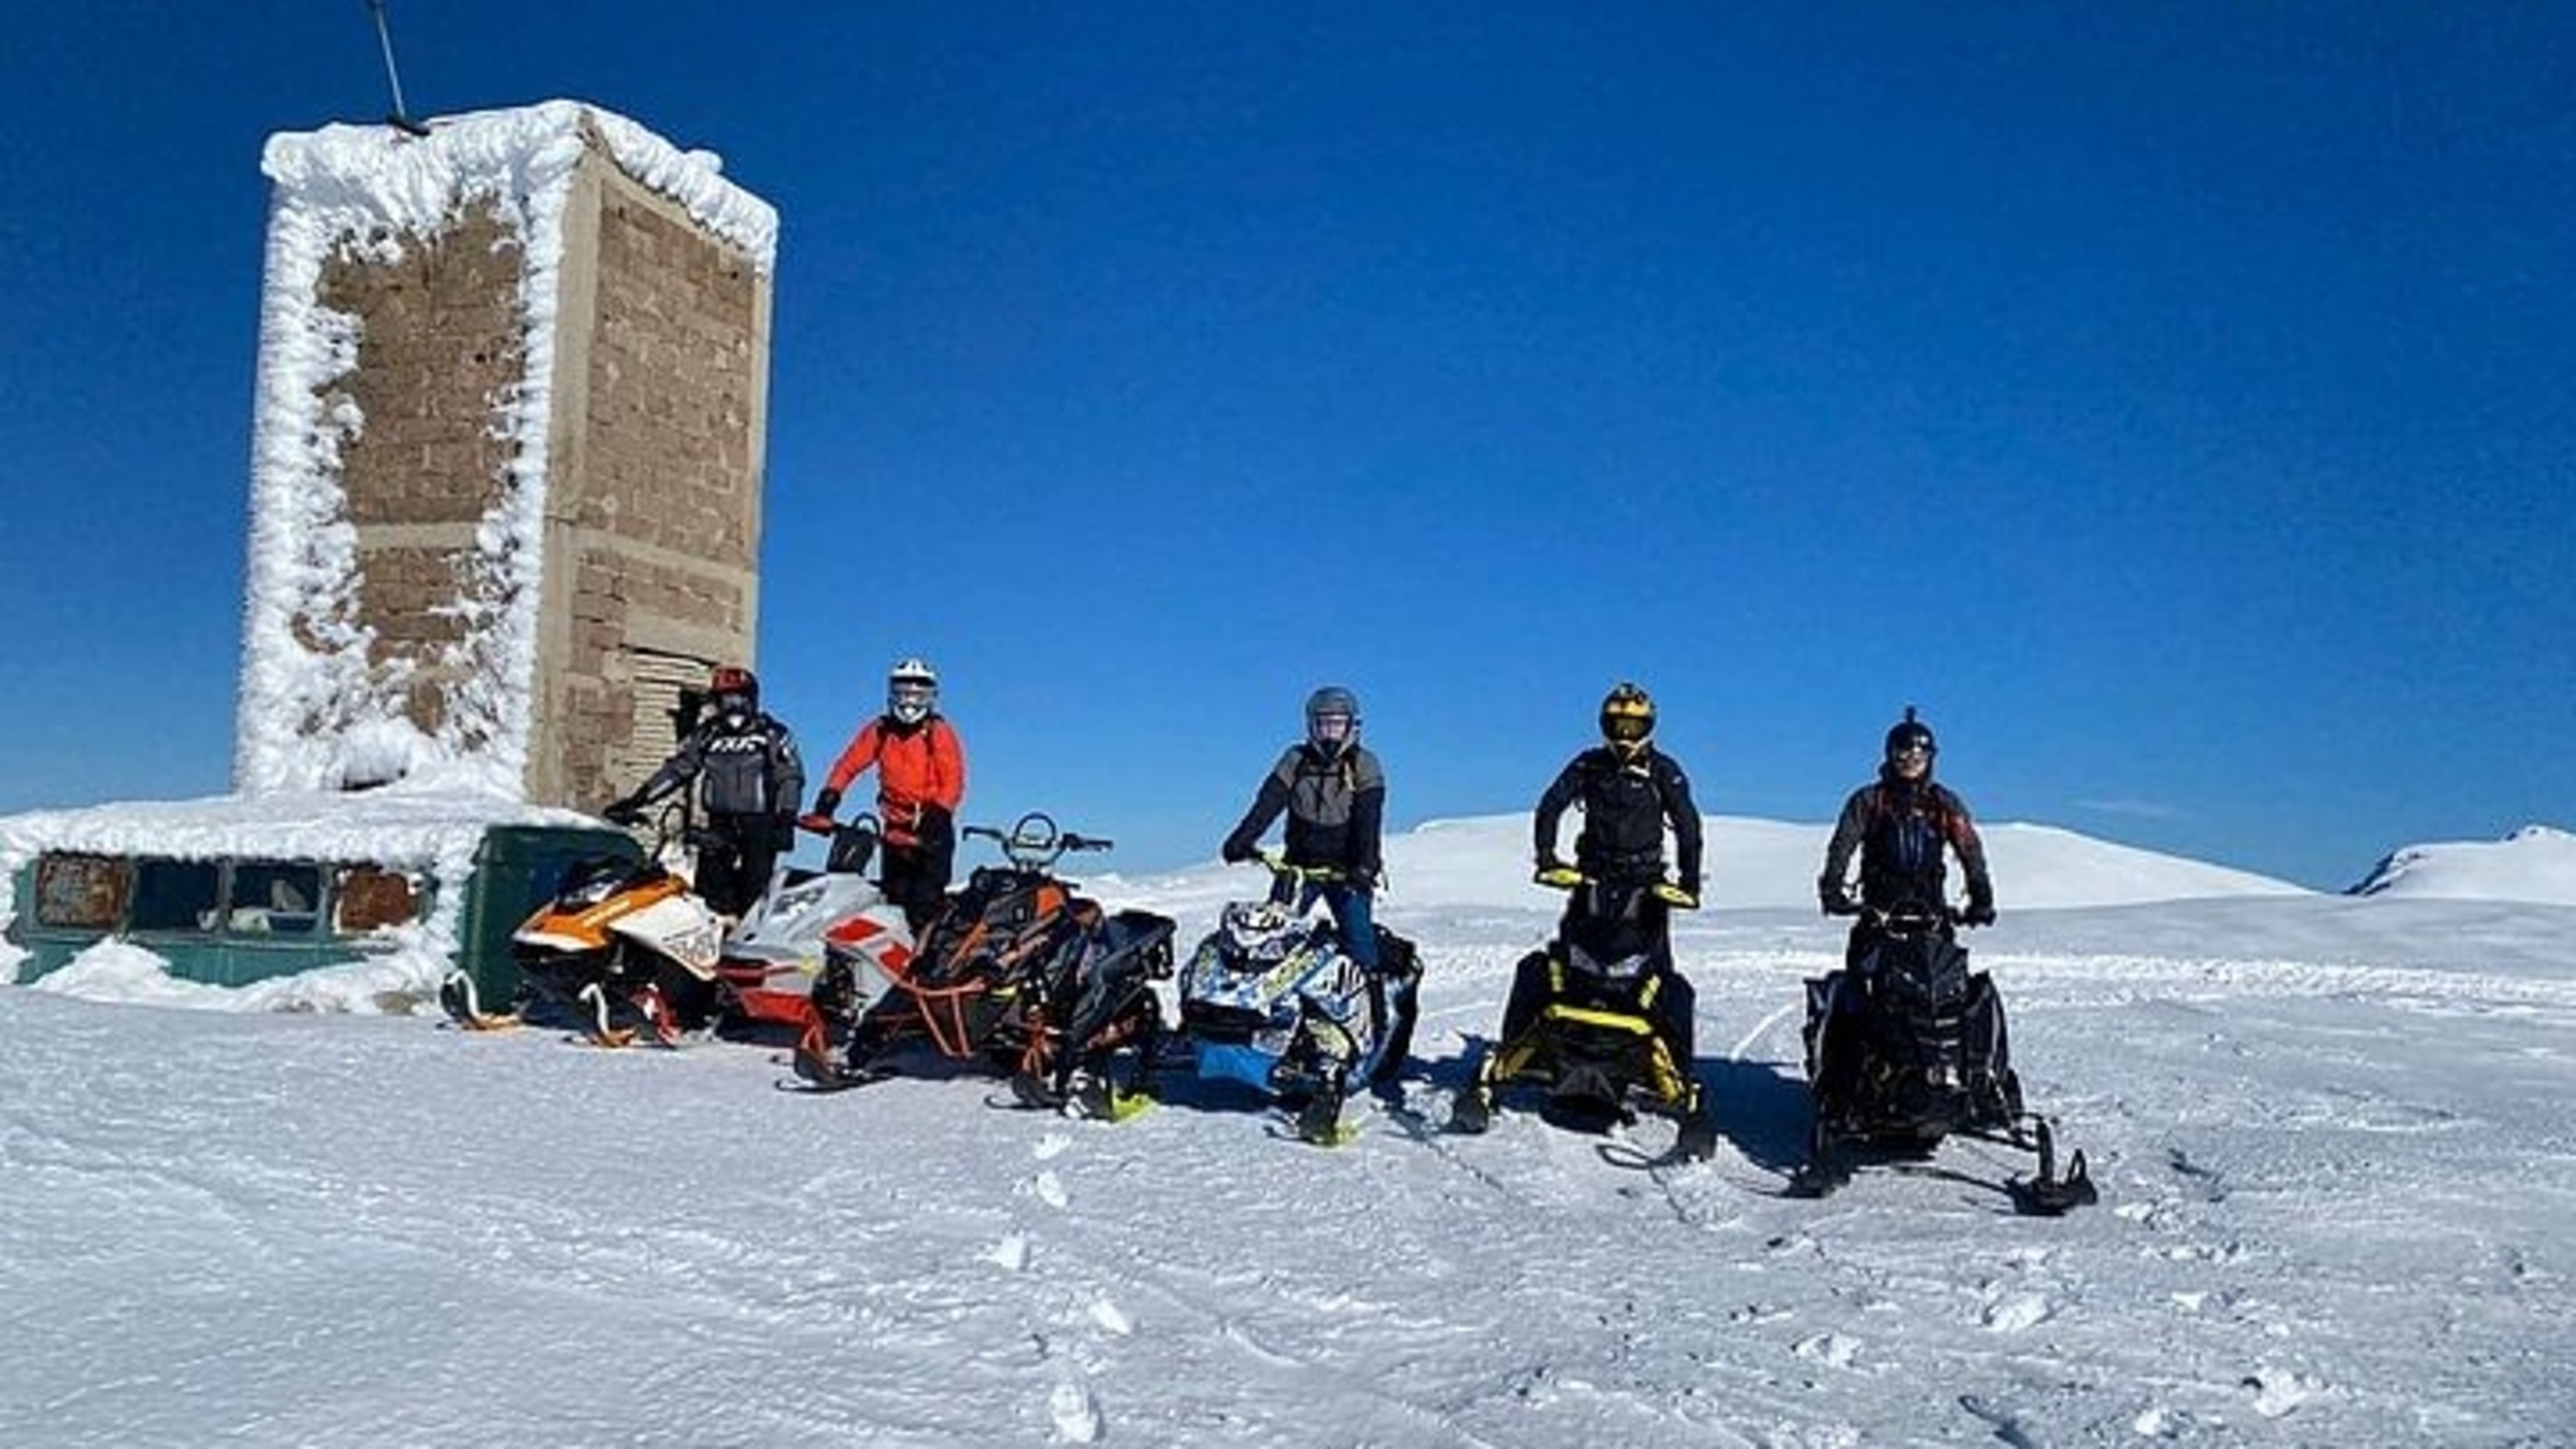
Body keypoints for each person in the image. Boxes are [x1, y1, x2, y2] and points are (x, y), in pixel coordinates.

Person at [1509, 680, 1704, 1061]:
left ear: (1649, 727)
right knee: (1564, 957)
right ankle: (1527, 1044)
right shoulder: (1589, 764)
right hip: (1592, 878)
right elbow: (1551, 805)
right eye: (1617, 725)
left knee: (1657, 968)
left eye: (1633, 726)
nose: (1625, 734)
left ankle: (1669, 1058)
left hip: (1646, 886)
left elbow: (1688, 825)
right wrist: (1547, 858)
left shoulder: (1664, 771)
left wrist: (1689, 881)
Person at [602, 664, 803, 919]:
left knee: (754, 893)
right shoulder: (707, 733)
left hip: (760, 824)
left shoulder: (774, 733)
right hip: (719, 823)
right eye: (725, 700)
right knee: (711, 893)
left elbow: (790, 776)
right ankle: (712, 943)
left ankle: (753, 947)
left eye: (738, 698)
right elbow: (678, 769)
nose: (732, 706)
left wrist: (786, 818)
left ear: (751, 699)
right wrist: (638, 800)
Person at [1219, 685, 1387, 973]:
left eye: (1336, 725)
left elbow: (1368, 820)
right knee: (1270, 943)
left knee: (1360, 951)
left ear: (1351, 727)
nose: (1329, 734)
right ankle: (1271, 1015)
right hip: (1298, 868)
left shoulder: (1363, 764)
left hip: (1346, 872)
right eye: (1323, 725)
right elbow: (1267, 804)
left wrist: (1365, 866)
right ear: (1311, 726)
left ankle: (1375, 1014)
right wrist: (1241, 840)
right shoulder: (1296, 760)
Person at [1816, 706, 1996, 967]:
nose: (1911, 761)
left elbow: (1970, 849)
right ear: (1890, 755)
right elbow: (1843, 845)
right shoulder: (1869, 800)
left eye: (1919, 755)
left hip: (1932, 913)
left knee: (1954, 987)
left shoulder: (1944, 803)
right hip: (1880, 913)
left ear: (1930, 758)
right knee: (1857, 985)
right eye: (1903, 754)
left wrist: (1981, 895)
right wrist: (1832, 887)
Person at [804, 658, 967, 933]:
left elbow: (953, 779)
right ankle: (890, 966)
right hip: (894, 828)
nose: (909, 702)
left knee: (925, 903)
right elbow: (849, 764)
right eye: (903, 693)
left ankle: (925, 964)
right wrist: (829, 798)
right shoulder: (881, 730)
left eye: (918, 695)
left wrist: (937, 815)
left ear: (930, 698)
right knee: (893, 901)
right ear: (892, 694)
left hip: (930, 827)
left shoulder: (938, 731)